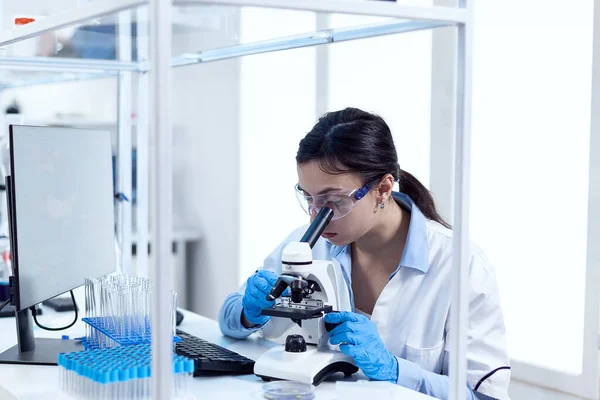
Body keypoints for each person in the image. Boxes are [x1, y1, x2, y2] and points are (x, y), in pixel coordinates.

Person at [219, 108, 510, 400]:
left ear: (382, 188)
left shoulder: (461, 265)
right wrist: (247, 313)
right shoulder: (306, 244)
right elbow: (227, 320)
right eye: (308, 198)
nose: (315, 218)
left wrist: (396, 371)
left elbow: (485, 397)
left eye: (333, 200)